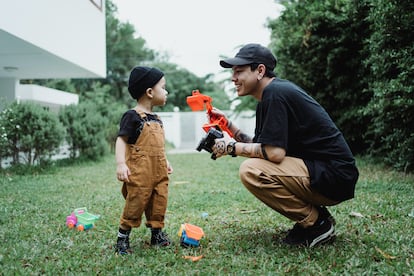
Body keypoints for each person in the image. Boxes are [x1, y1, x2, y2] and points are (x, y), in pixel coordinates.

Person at [211, 43, 359, 247]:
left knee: (251, 170)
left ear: (260, 71)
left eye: (239, 71)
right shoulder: (271, 96)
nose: (233, 78)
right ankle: (315, 217)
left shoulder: (276, 93)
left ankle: (317, 223)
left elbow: (274, 153)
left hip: (333, 175)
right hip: (326, 173)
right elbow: (261, 146)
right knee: (255, 164)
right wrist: (228, 125)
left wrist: (231, 147)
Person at [114, 66, 173, 255]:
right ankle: (123, 238)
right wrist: (121, 164)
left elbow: (158, 147)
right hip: (140, 172)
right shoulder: (132, 116)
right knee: (136, 202)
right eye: (163, 87)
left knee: (159, 201)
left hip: (159, 170)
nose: (166, 92)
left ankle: (157, 234)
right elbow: (121, 140)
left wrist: (165, 161)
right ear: (149, 92)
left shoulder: (157, 119)